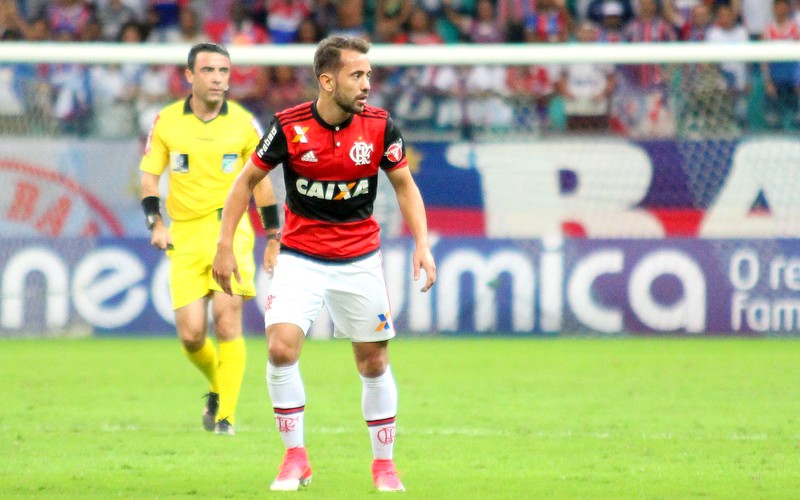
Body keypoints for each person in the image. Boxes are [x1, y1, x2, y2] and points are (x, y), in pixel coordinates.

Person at [212, 35, 437, 492]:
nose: (366, 84)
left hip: (359, 260)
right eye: (357, 75)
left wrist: (422, 244)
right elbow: (245, 182)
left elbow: (405, 187)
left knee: (372, 362)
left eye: (369, 75)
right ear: (327, 80)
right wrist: (223, 244)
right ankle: (295, 458)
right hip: (300, 258)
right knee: (280, 349)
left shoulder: (379, 126)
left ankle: (383, 465)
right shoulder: (288, 126)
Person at [139, 43, 277, 436]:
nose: (218, 79)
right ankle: (217, 385)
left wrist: (273, 236)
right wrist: (156, 223)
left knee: (227, 319)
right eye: (209, 71)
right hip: (183, 232)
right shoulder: (167, 122)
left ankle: (226, 418)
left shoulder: (245, 124)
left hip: (230, 230)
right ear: (189, 76)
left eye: (224, 72)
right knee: (191, 334)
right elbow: (150, 177)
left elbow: (261, 183)